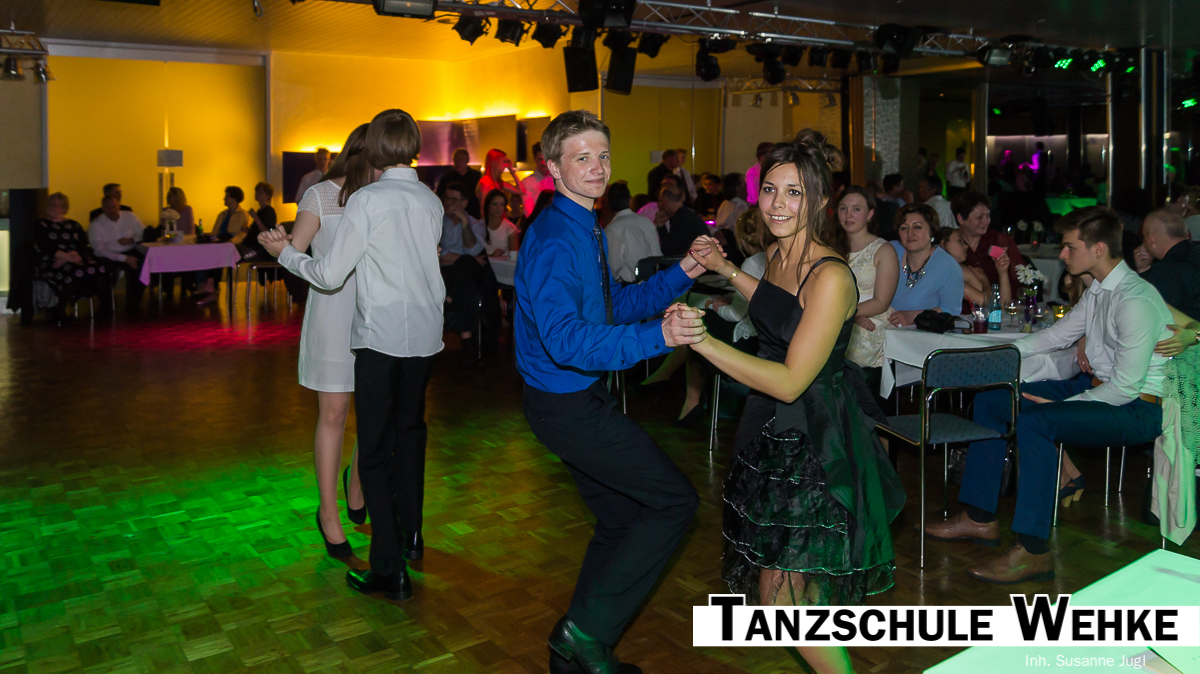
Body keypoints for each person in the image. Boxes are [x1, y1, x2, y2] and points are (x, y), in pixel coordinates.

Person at [687, 129, 904, 674]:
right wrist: (727, 270)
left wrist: (702, 341)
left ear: (821, 200)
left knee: (782, 599)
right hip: (772, 431)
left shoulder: (831, 276)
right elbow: (778, 310)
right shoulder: (774, 256)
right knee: (800, 593)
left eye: (794, 192)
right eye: (770, 190)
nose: (778, 204)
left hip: (815, 440)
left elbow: (789, 381)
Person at [514, 109, 709, 674]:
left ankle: (572, 653)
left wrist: (683, 272)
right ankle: (585, 633)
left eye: (602, 155)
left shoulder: (582, 224)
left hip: (569, 401)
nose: (597, 168)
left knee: (622, 520)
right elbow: (566, 341)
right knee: (674, 502)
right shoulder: (557, 238)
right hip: (567, 405)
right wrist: (658, 337)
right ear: (554, 167)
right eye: (582, 158)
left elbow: (609, 307)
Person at [926, 207, 1171, 583]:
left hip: (1137, 407)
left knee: (1037, 423)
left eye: (1070, 247)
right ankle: (978, 517)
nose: (1062, 254)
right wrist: (1003, 354)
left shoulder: (1134, 299)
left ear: (1099, 249)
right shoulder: (1099, 290)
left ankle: (1033, 551)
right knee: (993, 400)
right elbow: (1057, 335)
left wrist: (1062, 404)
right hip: (1098, 389)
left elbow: (1125, 388)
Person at [261, 108, 445, 602]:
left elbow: (328, 274)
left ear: (375, 149)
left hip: (379, 332)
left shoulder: (369, 199)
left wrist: (283, 254)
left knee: (377, 450)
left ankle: (388, 567)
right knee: (408, 438)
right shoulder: (429, 200)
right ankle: (409, 536)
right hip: (421, 334)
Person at [285, 123, 372, 559]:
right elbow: (295, 251)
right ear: (360, 153)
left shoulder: (381, 196)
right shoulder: (320, 195)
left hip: (375, 315)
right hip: (333, 314)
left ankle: (356, 482)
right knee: (335, 413)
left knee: (374, 412)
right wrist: (283, 247)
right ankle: (328, 512)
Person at [833, 186, 898, 395]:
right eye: (843, 208)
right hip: (839, 316)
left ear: (870, 214)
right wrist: (847, 317)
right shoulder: (829, 247)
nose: (848, 215)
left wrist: (848, 316)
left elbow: (881, 302)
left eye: (856, 209)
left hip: (871, 318)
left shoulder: (883, 250)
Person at [439, 182, 498, 362]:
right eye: (446, 198)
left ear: (464, 203)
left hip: (464, 271)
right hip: (446, 272)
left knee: (466, 264)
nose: (448, 203)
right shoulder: (438, 221)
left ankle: (449, 299)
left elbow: (472, 249)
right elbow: (437, 254)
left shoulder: (475, 224)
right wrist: (467, 258)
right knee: (467, 281)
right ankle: (467, 339)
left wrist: (464, 222)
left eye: (454, 199)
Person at [35, 192, 114, 324]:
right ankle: (60, 311)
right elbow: (45, 246)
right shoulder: (41, 224)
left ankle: (106, 309)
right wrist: (65, 257)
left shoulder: (74, 225)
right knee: (74, 272)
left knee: (100, 269)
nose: (52, 208)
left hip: (76, 259)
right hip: (53, 261)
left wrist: (75, 256)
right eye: (50, 204)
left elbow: (84, 246)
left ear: (64, 208)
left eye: (56, 205)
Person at [886, 203, 964, 326]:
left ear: (931, 231)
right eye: (904, 228)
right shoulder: (890, 251)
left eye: (917, 227)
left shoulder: (947, 265)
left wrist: (912, 316)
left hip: (920, 332)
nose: (910, 233)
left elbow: (951, 310)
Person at [950, 191, 1024, 295]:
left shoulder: (1000, 241)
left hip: (1000, 301)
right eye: (979, 217)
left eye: (988, 215)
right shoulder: (950, 243)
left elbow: (1020, 278)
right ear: (961, 218)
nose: (987, 221)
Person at [1137, 207, 1200, 319]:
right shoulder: (1196, 252)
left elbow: (1151, 314)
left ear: (1151, 239)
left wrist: (1144, 272)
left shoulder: (1168, 269)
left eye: (1144, 237)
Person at [193, 186, 251, 304]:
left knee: (218, 252)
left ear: (234, 198)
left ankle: (210, 284)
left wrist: (230, 242)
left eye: (227, 196)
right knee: (204, 251)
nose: (224, 198)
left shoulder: (243, 214)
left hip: (232, 243)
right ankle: (206, 285)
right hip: (220, 242)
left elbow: (241, 234)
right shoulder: (222, 214)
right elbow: (215, 232)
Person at [89, 195, 146, 311]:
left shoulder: (130, 216)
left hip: (130, 250)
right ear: (103, 208)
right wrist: (124, 258)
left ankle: (135, 300)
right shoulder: (96, 224)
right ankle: (107, 305)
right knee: (101, 271)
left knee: (143, 264)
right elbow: (99, 250)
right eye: (108, 207)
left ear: (119, 206)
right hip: (108, 255)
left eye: (114, 207)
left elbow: (143, 233)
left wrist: (132, 240)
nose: (112, 210)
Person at [603, 182, 661, 283]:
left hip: (631, 286)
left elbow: (613, 268)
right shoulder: (645, 221)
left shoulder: (613, 229)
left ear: (608, 203)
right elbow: (656, 253)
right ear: (630, 199)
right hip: (655, 282)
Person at [944, 228, 1012, 313]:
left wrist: (1002, 271)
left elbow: (1001, 306)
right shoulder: (946, 271)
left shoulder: (962, 269)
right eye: (959, 241)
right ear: (942, 243)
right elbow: (988, 304)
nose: (966, 246)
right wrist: (984, 281)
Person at [655, 184, 709, 257]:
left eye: (660, 201)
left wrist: (661, 226)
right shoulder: (688, 214)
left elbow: (667, 250)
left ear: (664, 201)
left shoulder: (681, 218)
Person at [436, 148, 483, 218]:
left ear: (467, 160)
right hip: (452, 216)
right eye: (455, 160)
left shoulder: (477, 177)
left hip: (473, 215)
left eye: (460, 160)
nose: (458, 163)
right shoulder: (447, 178)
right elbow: (439, 198)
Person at [481, 188, 521, 257]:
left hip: (502, 263)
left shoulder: (510, 228)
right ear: (488, 205)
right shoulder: (478, 225)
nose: (498, 208)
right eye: (495, 204)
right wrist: (491, 256)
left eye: (502, 204)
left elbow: (513, 257)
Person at [243, 182, 277, 261]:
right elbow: (256, 231)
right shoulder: (259, 211)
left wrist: (256, 218)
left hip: (258, 247)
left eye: (260, 192)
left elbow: (266, 232)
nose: (256, 194)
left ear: (267, 195)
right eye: (256, 192)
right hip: (251, 244)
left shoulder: (269, 211)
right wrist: (247, 230)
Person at [520, 142, 556, 216]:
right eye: (540, 159)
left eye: (545, 159)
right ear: (534, 159)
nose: (543, 162)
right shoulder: (526, 182)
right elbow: (527, 208)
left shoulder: (558, 180)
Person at [745, 141, 776, 206]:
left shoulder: (772, 170)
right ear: (762, 157)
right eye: (771, 155)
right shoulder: (753, 172)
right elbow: (752, 196)